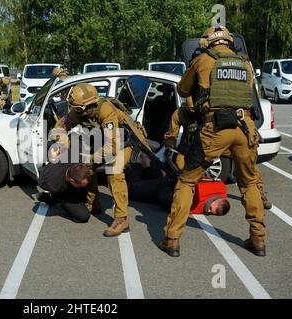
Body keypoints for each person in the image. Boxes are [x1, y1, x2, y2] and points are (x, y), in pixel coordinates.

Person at [160, 25, 267, 257]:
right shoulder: (246, 64)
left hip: (215, 127)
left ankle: (172, 240)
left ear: (207, 42)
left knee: (187, 181)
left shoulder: (203, 60)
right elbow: (251, 95)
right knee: (249, 184)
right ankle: (258, 239)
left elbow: (183, 90)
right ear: (229, 42)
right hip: (244, 128)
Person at [58, 83, 151, 237]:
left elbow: (112, 147)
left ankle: (121, 219)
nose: (75, 111)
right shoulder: (78, 111)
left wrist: (90, 158)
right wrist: (64, 141)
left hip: (125, 141)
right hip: (106, 141)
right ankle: (93, 203)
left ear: (89, 105)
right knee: (87, 167)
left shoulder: (105, 110)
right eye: (74, 108)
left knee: (114, 170)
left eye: (78, 109)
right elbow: (61, 126)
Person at [164, 98, 272, 209]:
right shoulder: (183, 112)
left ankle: (259, 194)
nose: (194, 111)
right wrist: (170, 142)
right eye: (191, 109)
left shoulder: (213, 107)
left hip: (217, 142)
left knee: (248, 167)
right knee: (180, 165)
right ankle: (184, 196)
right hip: (193, 146)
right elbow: (174, 126)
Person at [126, 152, 230, 216]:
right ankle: (135, 164)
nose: (210, 212)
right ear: (218, 201)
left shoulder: (221, 188)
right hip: (168, 188)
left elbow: (206, 179)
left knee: (155, 179)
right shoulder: (198, 202)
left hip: (174, 179)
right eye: (213, 209)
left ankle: (147, 162)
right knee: (132, 190)